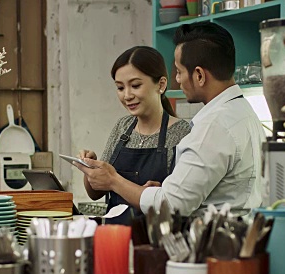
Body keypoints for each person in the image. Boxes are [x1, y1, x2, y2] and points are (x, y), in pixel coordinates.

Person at [76, 22, 266, 216]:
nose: (178, 79)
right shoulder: (243, 113)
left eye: (179, 71)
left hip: (209, 237)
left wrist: (115, 181)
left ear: (199, 75)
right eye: (120, 87)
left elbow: (172, 204)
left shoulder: (213, 127)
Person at [79, 46, 191, 224]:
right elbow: (95, 194)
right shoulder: (122, 127)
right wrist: (90, 170)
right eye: (120, 88)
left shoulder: (182, 132)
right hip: (114, 236)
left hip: (155, 240)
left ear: (161, 85)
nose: (127, 95)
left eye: (135, 85)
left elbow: (182, 200)